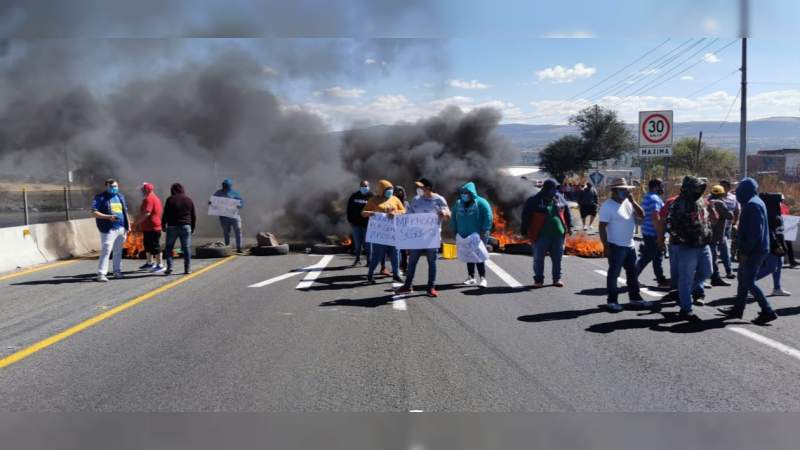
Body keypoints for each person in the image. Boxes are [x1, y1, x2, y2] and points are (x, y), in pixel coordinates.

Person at [719, 178, 778, 324]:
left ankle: (767, 310)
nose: (737, 192)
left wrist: (745, 251)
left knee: (748, 281)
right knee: (742, 279)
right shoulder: (756, 201)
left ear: (745, 190)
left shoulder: (752, 205)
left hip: (754, 250)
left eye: (739, 189)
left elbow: (754, 233)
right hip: (756, 248)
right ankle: (738, 309)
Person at [598, 178, 651, 312]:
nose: (626, 192)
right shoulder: (607, 206)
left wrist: (633, 202)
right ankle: (612, 301)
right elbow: (602, 227)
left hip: (630, 245)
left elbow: (642, 215)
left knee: (632, 274)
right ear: (615, 191)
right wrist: (605, 246)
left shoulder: (628, 202)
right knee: (614, 274)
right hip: (615, 245)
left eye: (627, 189)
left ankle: (635, 298)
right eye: (623, 190)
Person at [667, 176, 714, 323]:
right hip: (687, 247)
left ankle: (682, 293)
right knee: (685, 278)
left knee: (708, 271)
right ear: (688, 188)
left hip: (703, 244)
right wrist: (684, 240)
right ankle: (686, 310)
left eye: (701, 187)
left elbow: (705, 219)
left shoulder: (700, 200)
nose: (699, 190)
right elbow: (671, 225)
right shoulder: (678, 203)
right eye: (696, 187)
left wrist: (709, 232)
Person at [396, 178, 451, 297]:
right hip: (417, 237)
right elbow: (408, 215)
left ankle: (431, 287)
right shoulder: (416, 199)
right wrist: (395, 214)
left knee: (432, 262)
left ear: (428, 188)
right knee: (412, 262)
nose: (418, 189)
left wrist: (444, 214)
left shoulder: (439, 199)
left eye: (421, 187)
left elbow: (448, 215)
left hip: (432, 238)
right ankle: (407, 286)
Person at [521, 179, 572, 288]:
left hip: (558, 235)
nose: (556, 191)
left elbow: (567, 212)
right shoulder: (534, 200)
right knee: (539, 258)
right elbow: (526, 216)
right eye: (554, 189)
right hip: (540, 235)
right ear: (547, 189)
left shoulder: (559, 198)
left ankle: (556, 279)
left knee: (557, 258)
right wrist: (524, 230)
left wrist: (570, 226)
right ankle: (538, 280)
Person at [362, 179, 406, 284]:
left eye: (391, 189)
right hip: (379, 236)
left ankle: (396, 275)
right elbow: (363, 213)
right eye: (387, 189)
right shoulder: (373, 200)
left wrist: (395, 213)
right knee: (377, 256)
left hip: (393, 234)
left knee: (395, 255)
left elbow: (404, 211)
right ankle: (370, 274)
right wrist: (370, 213)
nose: (390, 191)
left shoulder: (395, 199)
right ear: (381, 190)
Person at [452, 181, 493, 287]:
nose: (464, 194)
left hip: (478, 234)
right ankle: (471, 277)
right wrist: (455, 230)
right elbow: (453, 217)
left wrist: (485, 229)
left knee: (478, 255)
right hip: (463, 234)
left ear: (472, 193)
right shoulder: (458, 203)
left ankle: (483, 278)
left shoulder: (481, 202)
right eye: (463, 192)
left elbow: (488, 216)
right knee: (468, 255)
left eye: (466, 192)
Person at [91, 178, 131, 282]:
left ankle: (117, 271)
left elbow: (125, 212)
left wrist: (128, 225)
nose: (114, 188)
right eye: (112, 186)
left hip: (121, 227)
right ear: (107, 187)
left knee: (118, 251)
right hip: (108, 229)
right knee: (106, 250)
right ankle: (101, 274)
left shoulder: (120, 196)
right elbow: (94, 212)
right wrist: (108, 217)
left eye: (116, 186)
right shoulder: (100, 197)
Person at [635, 179, 669, 288]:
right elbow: (656, 217)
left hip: (648, 231)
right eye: (661, 186)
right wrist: (660, 236)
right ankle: (660, 281)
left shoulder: (648, 196)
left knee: (652, 257)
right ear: (655, 187)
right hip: (653, 233)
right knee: (652, 257)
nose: (662, 188)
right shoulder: (654, 199)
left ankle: (660, 280)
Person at [162, 183, 196, 275]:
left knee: (169, 247)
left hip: (172, 226)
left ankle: (170, 267)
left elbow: (165, 214)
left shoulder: (170, 200)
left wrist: (163, 225)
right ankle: (187, 269)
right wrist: (192, 227)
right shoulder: (188, 200)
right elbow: (193, 215)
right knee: (186, 248)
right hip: (185, 226)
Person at [134, 182, 165, 273]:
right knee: (147, 246)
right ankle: (150, 263)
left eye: (142, 190)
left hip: (153, 227)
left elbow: (147, 213)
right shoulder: (151, 198)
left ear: (146, 190)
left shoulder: (149, 199)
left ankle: (160, 265)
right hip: (148, 227)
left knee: (155, 246)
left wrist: (137, 223)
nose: (141, 191)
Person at [707, 185, 734, 286]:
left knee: (712, 256)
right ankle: (715, 277)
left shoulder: (707, 201)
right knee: (714, 257)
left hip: (708, 233)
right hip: (716, 234)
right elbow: (729, 216)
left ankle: (714, 276)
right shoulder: (720, 203)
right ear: (722, 194)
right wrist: (730, 209)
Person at [212, 179, 244, 253]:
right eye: (223, 185)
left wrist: (240, 205)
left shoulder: (235, 193)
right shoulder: (218, 193)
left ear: (229, 186)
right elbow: (213, 201)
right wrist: (211, 203)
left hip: (234, 216)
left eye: (226, 185)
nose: (224, 186)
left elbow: (241, 202)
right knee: (226, 232)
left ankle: (239, 248)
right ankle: (227, 247)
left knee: (238, 230)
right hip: (224, 217)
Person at [346, 180, 373, 266]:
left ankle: (369, 261)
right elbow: (349, 209)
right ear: (360, 186)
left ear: (369, 186)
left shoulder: (372, 197)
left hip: (368, 225)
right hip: (356, 224)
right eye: (362, 186)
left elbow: (376, 209)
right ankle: (357, 259)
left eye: (366, 186)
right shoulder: (354, 196)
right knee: (357, 244)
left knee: (368, 244)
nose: (364, 187)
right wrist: (350, 220)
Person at [719, 179, 740, 263]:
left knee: (727, 244)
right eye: (720, 185)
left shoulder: (733, 198)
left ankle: (728, 262)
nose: (721, 188)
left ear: (728, 188)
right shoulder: (713, 196)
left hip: (728, 226)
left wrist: (736, 223)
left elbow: (737, 211)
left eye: (723, 186)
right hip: (716, 226)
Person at [394, 185, 410, 275]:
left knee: (404, 251)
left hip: (404, 230)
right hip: (394, 229)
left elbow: (410, 215)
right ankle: (396, 268)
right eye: (397, 191)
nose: (399, 193)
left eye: (400, 191)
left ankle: (405, 267)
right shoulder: (391, 202)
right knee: (396, 251)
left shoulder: (406, 203)